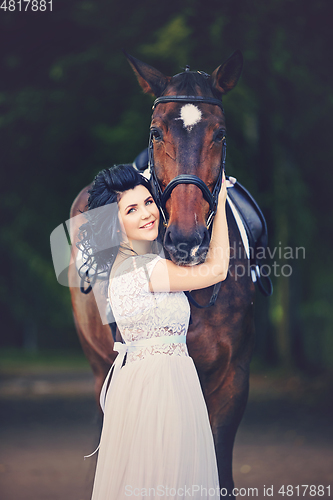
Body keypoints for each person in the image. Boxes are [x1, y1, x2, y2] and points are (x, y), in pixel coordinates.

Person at [77, 164, 229, 500]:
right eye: (131, 209)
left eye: (148, 202)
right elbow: (217, 269)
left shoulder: (126, 264)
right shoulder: (144, 269)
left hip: (151, 383)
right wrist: (220, 204)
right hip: (162, 388)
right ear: (114, 225)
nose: (147, 214)